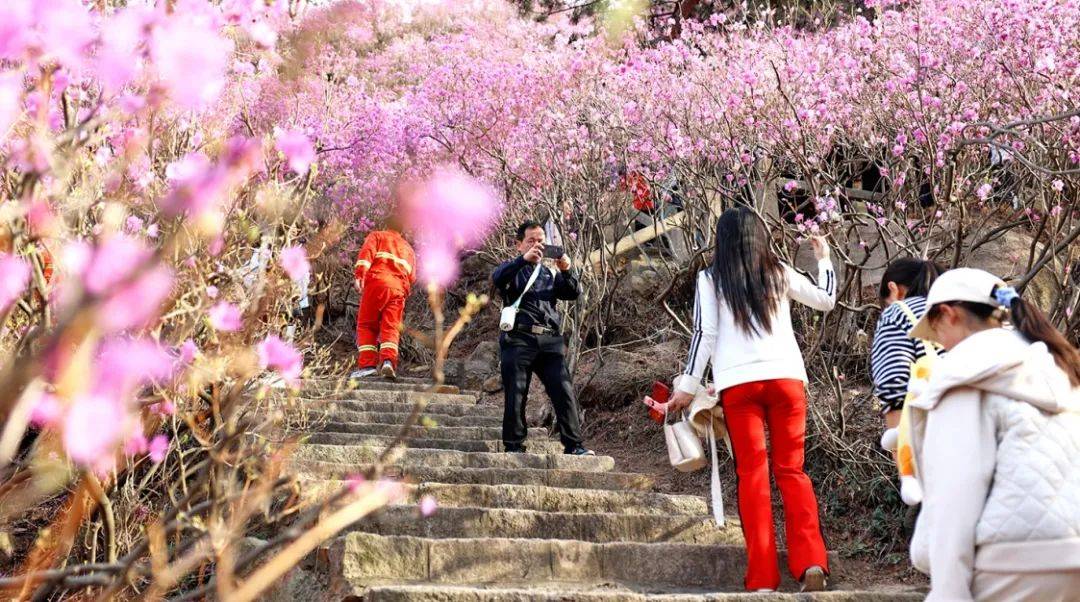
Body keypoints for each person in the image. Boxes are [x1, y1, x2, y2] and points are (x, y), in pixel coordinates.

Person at [666, 206, 836, 594]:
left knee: (753, 475)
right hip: (787, 381)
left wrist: (687, 386)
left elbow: (705, 334)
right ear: (760, 236)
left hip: (740, 387)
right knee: (792, 471)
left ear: (722, 240)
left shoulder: (711, 278)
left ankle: (762, 578)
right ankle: (811, 561)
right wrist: (824, 259)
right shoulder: (779, 270)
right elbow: (826, 299)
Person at [901, 268, 1080, 601]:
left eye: (935, 330)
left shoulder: (964, 375)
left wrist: (949, 593)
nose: (939, 344)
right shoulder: (1054, 366)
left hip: (1012, 564)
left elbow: (956, 495)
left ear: (948, 314)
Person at [492, 220, 593, 456]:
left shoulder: (549, 273)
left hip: (549, 340)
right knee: (516, 393)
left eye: (541, 241)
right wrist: (523, 260)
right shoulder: (512, 269)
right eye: (531, 241)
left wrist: (567, 270)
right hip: (518, 338)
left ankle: (574, 445)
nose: (537, 245)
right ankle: (514, 446)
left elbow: (572, 293)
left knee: (563, 390)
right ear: (519, 244)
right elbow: (497, 279)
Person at [870, 258, 944, 430]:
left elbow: (894, 385)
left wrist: (898, 441)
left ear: (893, 289)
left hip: (936, 430)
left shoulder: (897, 314)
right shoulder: (963, 310)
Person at [351, 220, 416, 380]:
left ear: (386, 224)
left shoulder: (377, 236)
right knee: (391, 327)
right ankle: (388, 361)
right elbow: (412, 276)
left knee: (367, 325)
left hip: (376, 283)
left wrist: (360, 275)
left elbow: (365, 256)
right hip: (398, 289)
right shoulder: (408, 249)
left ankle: (367, 366)